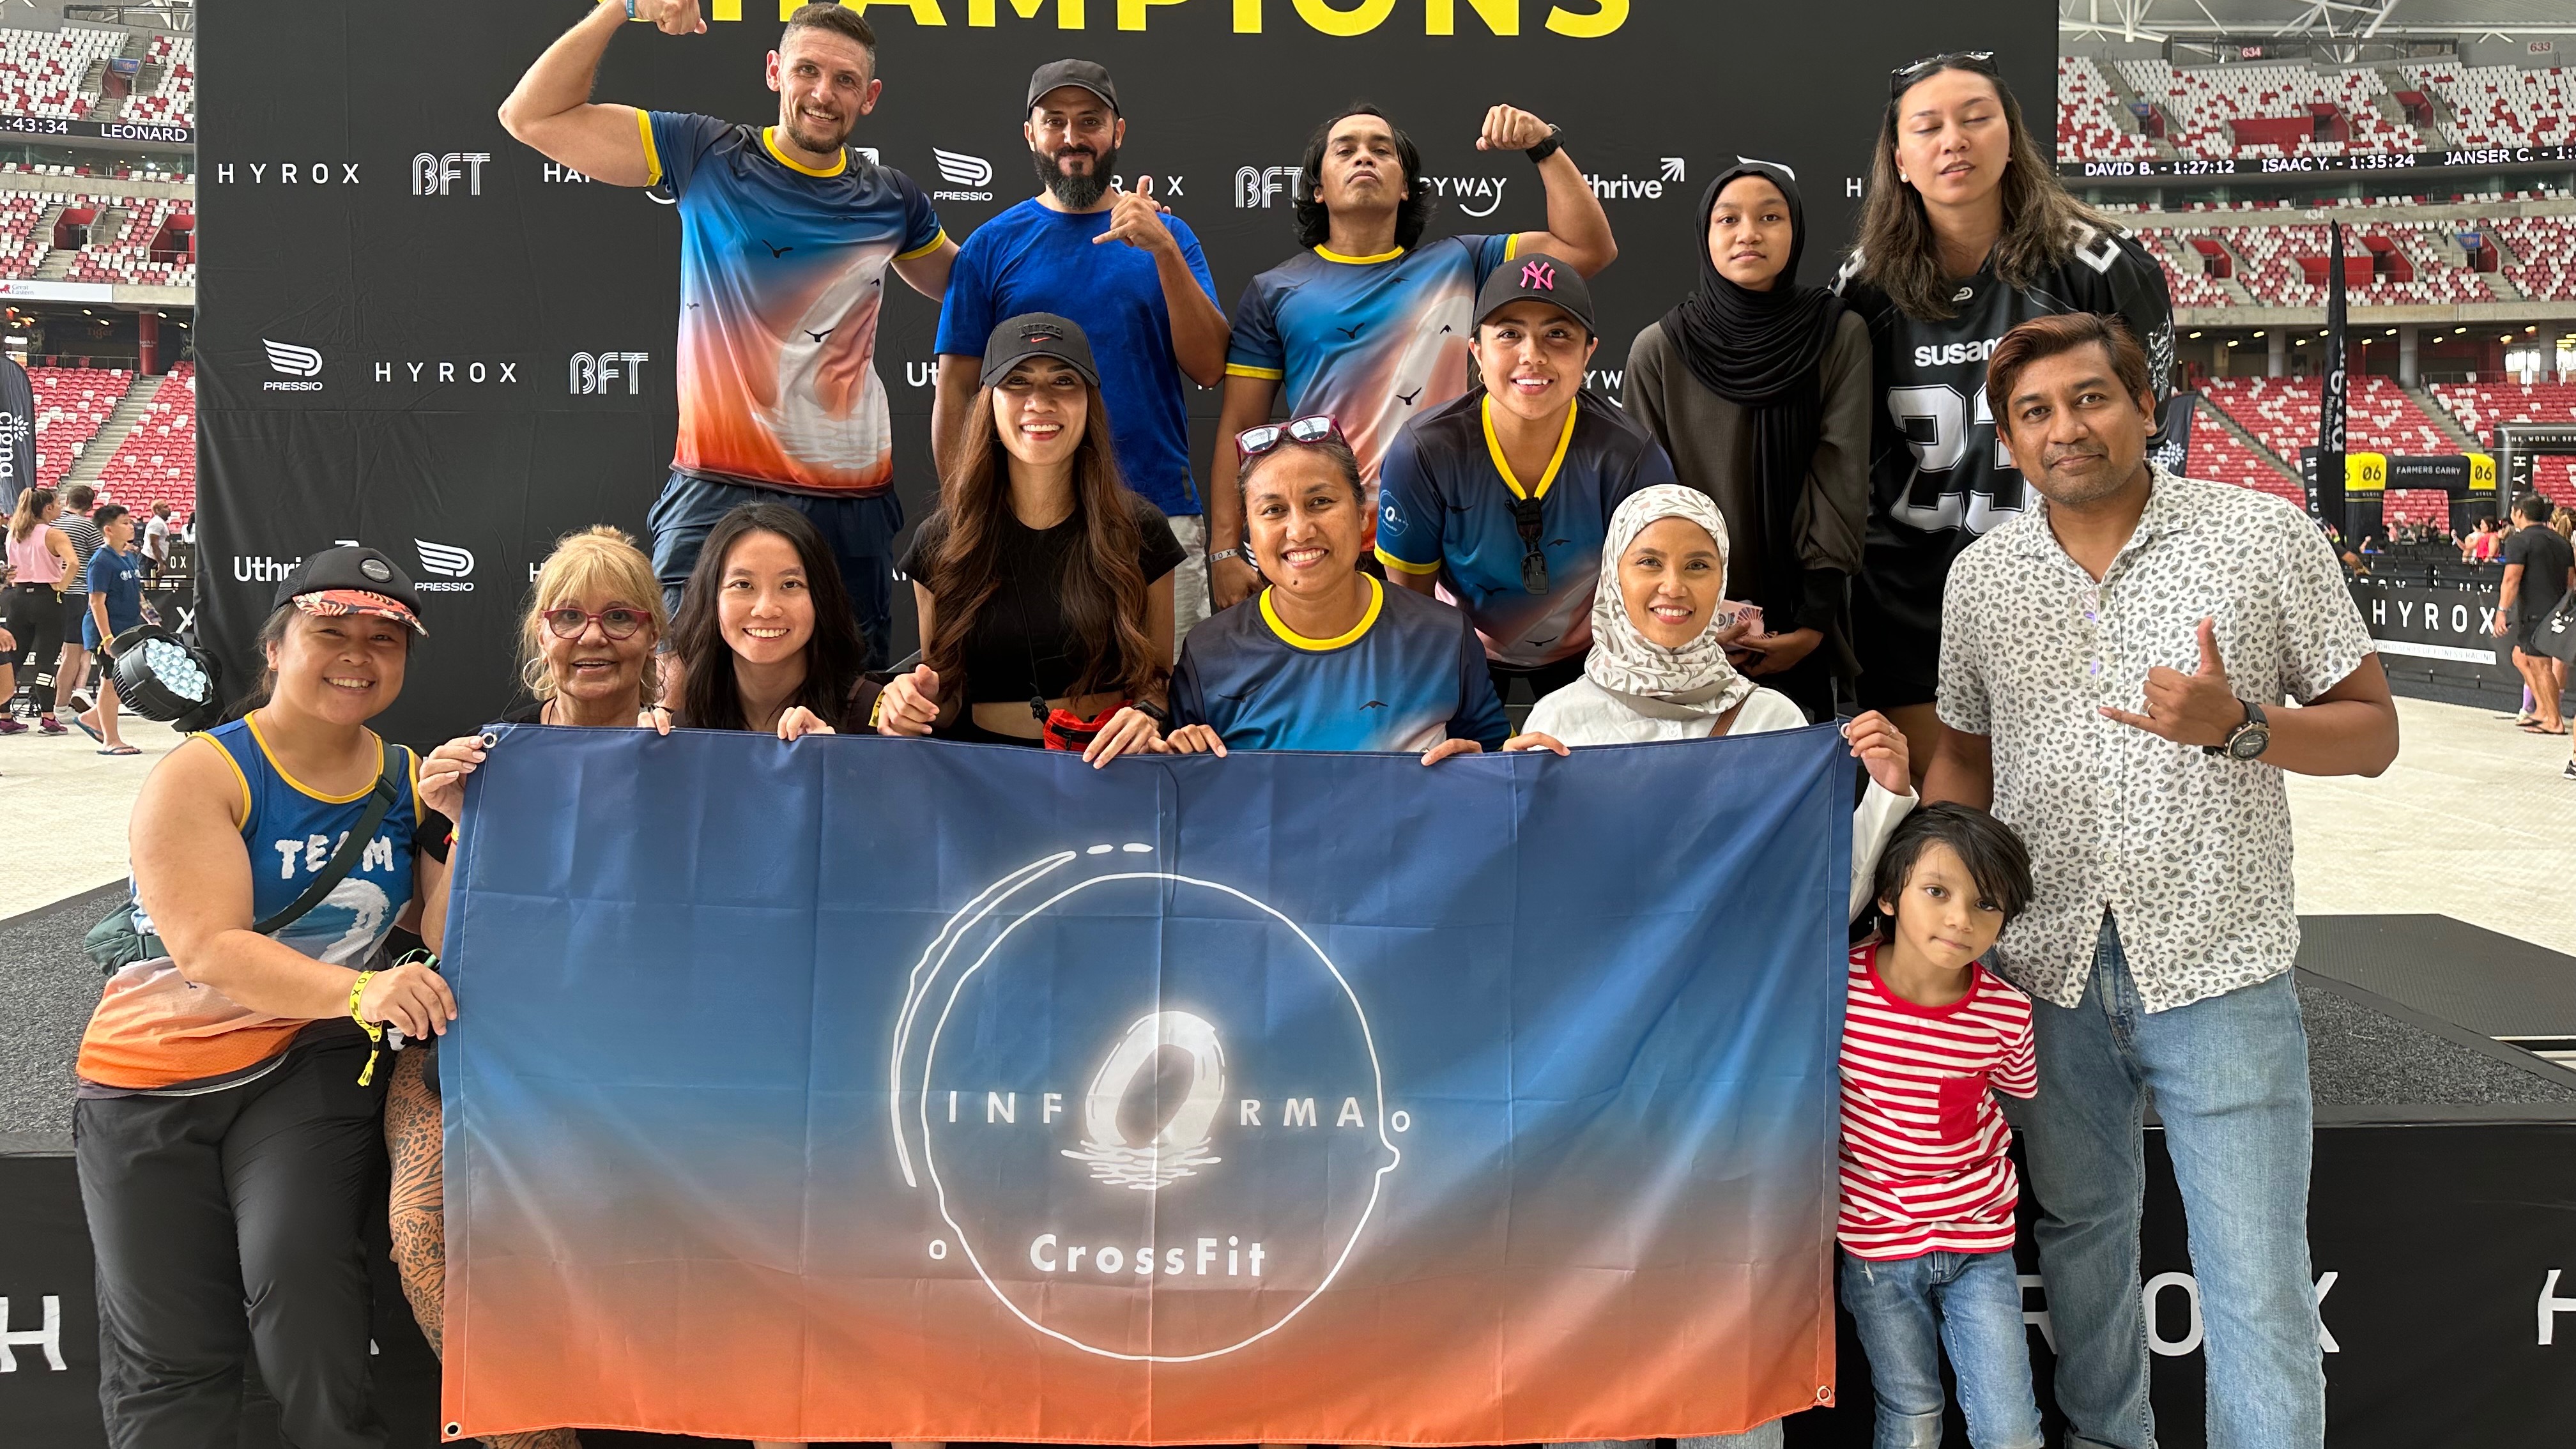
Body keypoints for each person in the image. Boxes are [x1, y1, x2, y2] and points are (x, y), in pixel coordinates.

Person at [1924, 313, 2398, 1449]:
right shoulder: (1981, 577)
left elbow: (2373, 732)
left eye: (2090, 398)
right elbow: (1965, 758)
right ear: (2008, 441)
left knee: (2256, 1273)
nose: (2065, 428)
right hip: (2041, 973)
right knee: (2081, 1241)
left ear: (2147, 405)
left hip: (2218, 966)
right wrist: (1926, 863)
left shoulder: (2262, 535)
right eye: (2034, 412)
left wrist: (2243, 725)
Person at [75, 546, 453, 1449]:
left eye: (384, 639)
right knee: (170, 1355)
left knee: (309, 1304)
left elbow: (442, 939)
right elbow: (208, 949)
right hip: (147, 1078)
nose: (358, 655)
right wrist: (366, 989)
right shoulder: (206, 772)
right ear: (277, 647)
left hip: (301, 1062)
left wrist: (461, 824)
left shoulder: (407, 778)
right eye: (332, 633)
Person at [499, 0, 957, 671]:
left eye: (845, 80)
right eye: (807, 71)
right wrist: (622, 8)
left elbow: (969, 285)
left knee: (847, 701)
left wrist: (1088, 232)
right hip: (716, 482)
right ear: (775, 72)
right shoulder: (704, 154)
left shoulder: (893, 200)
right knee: (682, 694)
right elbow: (532, 116)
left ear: (869, 96)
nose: (823, 94)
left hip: (848, 498)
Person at [386, 526, 671, 1449]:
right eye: (568, 616)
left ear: (654, 634)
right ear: (538, 633)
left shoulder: (693, 758)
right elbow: (440, 943)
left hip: (632, 1065)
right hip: (485, 1057)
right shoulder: (481, 763)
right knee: (423, 1231)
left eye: (621, 617)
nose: (593, 638)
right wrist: (461, 818)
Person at [1836, 49, 2175, 779]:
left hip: (2071, 587)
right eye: (1928, 126)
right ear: (1899, 159)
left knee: (2069, 813)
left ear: (2012, 137)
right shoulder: (1863, 288)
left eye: (1975, 118)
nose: (1953, 141)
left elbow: (2152, 437)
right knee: (1949, 822)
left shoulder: (2101, 266)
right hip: (1913, 600)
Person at [1208, 101, 1617, 611]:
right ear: (1318, 189)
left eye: (1382, 150)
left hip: (1451, 532)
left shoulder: (1462, 262)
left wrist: (1543, 145)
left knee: (1446, 665)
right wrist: (1224, 549)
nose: (1365, 157)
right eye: (1346, 150)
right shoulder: (1274, 290)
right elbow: (1240, 427)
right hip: (1330, 536)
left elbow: (1589, 249)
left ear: (1405, 187)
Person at [1505, 485, 1915, 916]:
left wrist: (1887, 789)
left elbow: (1817, 907)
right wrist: (1505, 810)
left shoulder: (1771, 722)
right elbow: (1534, 902)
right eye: (1649, 562)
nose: (1673, 586)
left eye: (1698, 565)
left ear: (1721, 580)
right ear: (1613, 574)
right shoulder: (1559, 721)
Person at [932, 60, 1225, 638]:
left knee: (1166, 687)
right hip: (1029, 520)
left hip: (1156, 513)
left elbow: (1210, 366)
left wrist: (1164, 251)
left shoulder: (1170, 237)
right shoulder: (991, 247)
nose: (1072, 137)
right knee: (1042, 688)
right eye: (1055, 121)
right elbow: (957, 390)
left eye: (1090, 120)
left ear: (1118, 132)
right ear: (1030, 134)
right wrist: (967, 518)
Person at [1626, 160, 1870, 723]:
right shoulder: (1659, 350)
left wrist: (1811, 624)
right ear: (1705, 234)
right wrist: (1692, 621)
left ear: (1796, 231)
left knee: (1796, 760)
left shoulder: (1836, 333)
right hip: (1683, 623)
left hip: (1802, 618)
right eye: (1728, 219)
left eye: (1770, 217)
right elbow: (1648, 505)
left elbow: (1840, 476)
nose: (1749, 234)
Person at [1377, 256, 1678, 708]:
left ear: (1588, 352)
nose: (1532, 355)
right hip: (1460, 650)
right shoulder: (1424, 450)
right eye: (1509, 334)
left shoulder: (1629, 455)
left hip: (1593, 655)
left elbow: (1650, 599)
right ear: (1477, 351)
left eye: (1557, 334)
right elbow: (1410, 605)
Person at [1838, 804, 2043, 1449]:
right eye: (1937, 892)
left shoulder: (2006, 1013)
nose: (1961, 919)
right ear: (1889, 896)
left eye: (1986, 905)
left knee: (2011, 1428)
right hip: (1877, 1246)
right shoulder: (1838, 991)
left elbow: (2014, 1089)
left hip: (1980, 1241)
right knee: (1912, 1416)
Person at [885, 314, 1177, 764]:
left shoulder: (1141, 529)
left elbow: (1157, 681)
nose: (1040, 402)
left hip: (1109, 768)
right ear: (989, 402)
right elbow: (945, 701)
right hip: (985, 773)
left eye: (1064, 381)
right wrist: (909, 706)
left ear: (1089, 402)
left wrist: (1147, 715)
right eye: (1017, 382)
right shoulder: (941, 542)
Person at [1160, 419, 1506, 763]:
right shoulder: (1209, 653)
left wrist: (1481, 765)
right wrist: (1177, 756)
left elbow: (1500, 760)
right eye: (1274, 510)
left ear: (1362, 514)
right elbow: (1182, 784)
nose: (1299, 531)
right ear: (1249, 529)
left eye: (1320, 502)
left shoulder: (1445, 636)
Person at [659, 502, 874, 743]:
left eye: (790, 584)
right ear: (711, 598)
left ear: (822, 597)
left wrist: (837, 760)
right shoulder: (683, 731)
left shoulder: (875, 718)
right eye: (743, 585)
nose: (766, 609)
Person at [2496, 491, 2573, 737]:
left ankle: (2554, 720)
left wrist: (2502, 611)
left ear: (2519, 513)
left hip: (2535, 614)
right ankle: (2542, 710)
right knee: (2521, 657)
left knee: (2542, 667)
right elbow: (2571, 582)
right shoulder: (2561, 541)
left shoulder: (2519, 541)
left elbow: (2511, 579)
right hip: (2558, 612)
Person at [3, 484, 77, 735]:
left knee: (12, 658)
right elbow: (74, 563)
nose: (60, 508)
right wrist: (62, 587)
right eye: (57, 504)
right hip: (47, 598)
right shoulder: (53, 534)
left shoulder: (14, 533)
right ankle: (48, 717)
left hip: (19, 598)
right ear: (47, 508)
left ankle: (4, 716)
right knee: (46, 660)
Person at [78, 502, 144, 755]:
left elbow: (138, 595)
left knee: (123, 682)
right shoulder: (101, 562)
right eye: (125, 523)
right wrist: (107, 637)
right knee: (111, 682)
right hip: (107, 631)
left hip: (128, 629)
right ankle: (111, 740)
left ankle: (92, 718)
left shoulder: (129, 557)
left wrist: (152, 620)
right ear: (109, 529)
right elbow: (96, 602)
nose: (131, 527)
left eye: (131, 522)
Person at [54, 481, 102, 714]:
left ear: (66, 501)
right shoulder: (88, 527)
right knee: (78, 648)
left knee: (62, 649)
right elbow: (101, 557)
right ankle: (66, 700)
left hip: (52, 591)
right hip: (78, 592)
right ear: (90, 506)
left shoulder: (50, 524)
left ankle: (63, 697)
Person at [142, 501, 172, 584]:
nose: (169, 509)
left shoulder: (160, 522)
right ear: (157, 510)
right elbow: (154, 544)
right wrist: (160, 563)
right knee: (152, 587)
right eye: (165, 507)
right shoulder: (157, 523)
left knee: (155, 586)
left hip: (154, 559)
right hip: (151, 559)